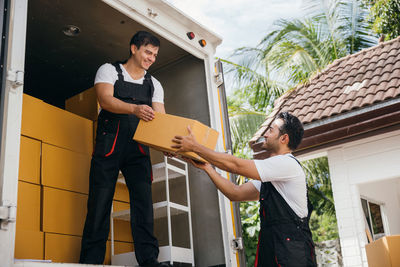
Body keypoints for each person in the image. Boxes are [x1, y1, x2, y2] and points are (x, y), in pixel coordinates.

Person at [172, 112, 317, 267]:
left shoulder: (287, 164)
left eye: (271, 130)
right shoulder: (273, 177)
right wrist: (208, 168)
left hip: (292, 255)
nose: (265, 134)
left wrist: (195, 147)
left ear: (284, 138)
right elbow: (236, 193)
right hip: (275, 250)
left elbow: (235, 165)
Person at [80, 31, 169, 267]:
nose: (151, 58)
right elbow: (105, 100)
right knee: (100, 202)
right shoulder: (109, 70)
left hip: (138, 149)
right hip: (109, 145)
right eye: (148, 52)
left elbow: (161, 119)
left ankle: (149, 260)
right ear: (134, 48)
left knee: (143, 203)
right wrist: (134, 109)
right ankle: (91, 261)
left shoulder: (154, 84)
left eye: (155, 55)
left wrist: (168, 143)